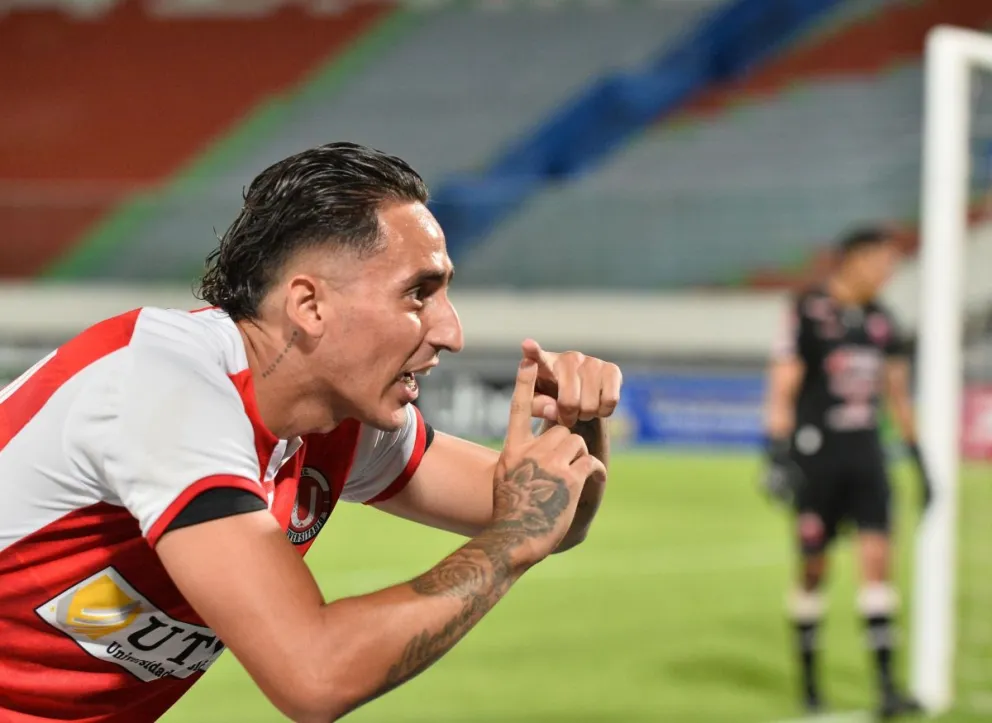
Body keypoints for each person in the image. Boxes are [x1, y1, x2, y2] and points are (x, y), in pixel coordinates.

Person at [0, 143, 622, 722]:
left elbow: (548, 517)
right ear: (309, 306)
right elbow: (313, 675)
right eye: (418, 295)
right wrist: (512, 541)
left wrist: (578, 426)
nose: (450, 332)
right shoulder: (163, 384)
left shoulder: (340, 421)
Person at [761, 226, 932, 719]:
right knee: (814, 570)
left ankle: (885, 689)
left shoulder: (884, 322)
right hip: (818, 459)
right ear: (853, 260)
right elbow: (784, 385)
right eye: (881, 262)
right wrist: (776, 450)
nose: (887, 274)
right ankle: (811, 687)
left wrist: (919, 461)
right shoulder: (808, 312)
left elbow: (897, 395)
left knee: (878, 565)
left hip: (867, 458)